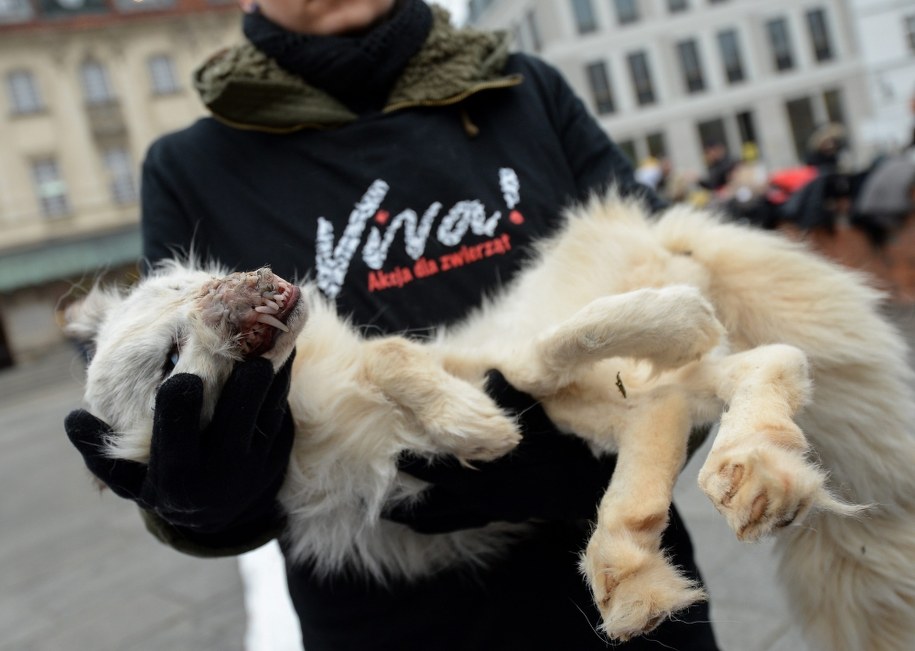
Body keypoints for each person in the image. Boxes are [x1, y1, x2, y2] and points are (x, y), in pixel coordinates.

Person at [63, 1, 720, 649]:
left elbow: (682, 291)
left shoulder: (524, 92)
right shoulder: (191, 168)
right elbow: (190, 405)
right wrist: (202, 506)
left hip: (624, 585)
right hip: (378, 618)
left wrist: (618, 436)